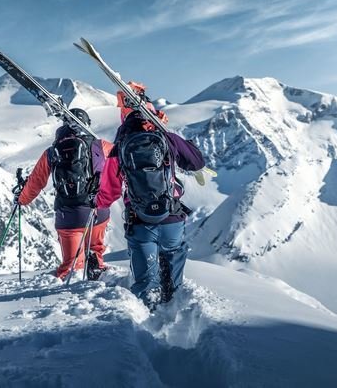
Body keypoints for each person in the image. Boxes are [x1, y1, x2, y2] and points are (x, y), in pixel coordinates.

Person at [97, 96, 205, 310]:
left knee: (146, 283)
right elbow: (197, 162)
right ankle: (173, 310)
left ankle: (147, 324)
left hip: (140, 222)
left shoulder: (120, 147)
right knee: (172, 273)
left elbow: (109, 190)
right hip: (171, 218)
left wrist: (98, 204)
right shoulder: (167, 138)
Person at [16, 108, 112, 281]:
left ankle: (74, 298)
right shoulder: (101, 146)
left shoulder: (52, 152)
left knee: (71, 266)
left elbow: (36, 182)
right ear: (87, 124)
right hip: (99, 211)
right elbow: (122, 167)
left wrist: (22, 199)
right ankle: (97, 271)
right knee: (95, 248)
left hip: (69, 216)